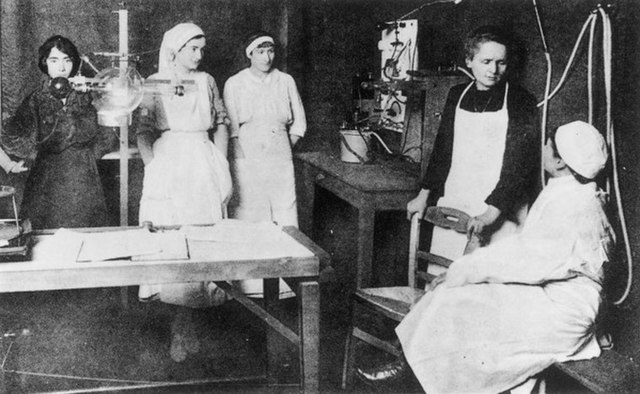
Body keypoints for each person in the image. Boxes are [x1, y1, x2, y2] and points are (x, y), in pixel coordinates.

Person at [357, 121, 615, 394]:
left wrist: (463, 271)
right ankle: (408, 367)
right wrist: (463, 273)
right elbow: (528, 251)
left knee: (466, 307)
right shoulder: (568, 191)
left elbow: (525, 259)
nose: (543, 149)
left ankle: (411, 377)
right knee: (455, 297)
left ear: (561, 162)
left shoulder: (574, 206)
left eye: (548, 145)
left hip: (564, 314)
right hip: (551, 295)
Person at [135, 22, 232, 362]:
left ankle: (193, 323)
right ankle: (179, 325)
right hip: (169, 162)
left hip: (202, 161)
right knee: (171, 242)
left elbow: (221, 121)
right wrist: (154, 166)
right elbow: (143, 131)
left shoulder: (207, 81)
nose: (200, 55)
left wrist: (220, 161)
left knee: (203, 238)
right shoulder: (154, 82)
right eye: (194, 49)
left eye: (202, 49)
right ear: (175, 50)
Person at [407, 26, 539, 261]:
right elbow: (442, 150)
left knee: (486, 283)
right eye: (486, 61)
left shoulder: (521, 101)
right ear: (469, 60)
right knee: (445, 277)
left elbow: (518, 166)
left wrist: (490, 214)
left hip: (500, 206)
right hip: (458, 196)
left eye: (501, 62)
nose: (493, 70)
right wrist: (423, 195)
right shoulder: (457, 95)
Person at [1, 35, 117, 229]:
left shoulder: (89, 95)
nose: (61, 67)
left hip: (83, 177)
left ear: (74, 63)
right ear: (45, 63)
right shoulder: (36, 99)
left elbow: (109, 130)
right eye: (54, 61)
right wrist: (31, 155)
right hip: (46, 178)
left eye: (67, 60)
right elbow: (10, 133)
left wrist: (89, 155)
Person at [223, 31, 306, 298]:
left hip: (279, 151)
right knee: (250, 209)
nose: (266, 57)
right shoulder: (235, 83)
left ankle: (287, 284)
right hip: (247, 152)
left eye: (270, 51)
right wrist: (242, 158)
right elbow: (231, 129)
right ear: (250, 54)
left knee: (285, 208)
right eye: (260, 52)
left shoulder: (285, 80)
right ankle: (249, 285)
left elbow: (299, 123)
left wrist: (282, 147)